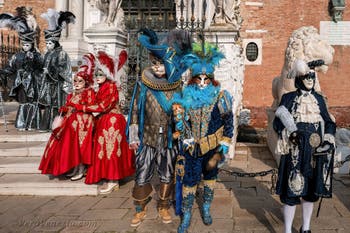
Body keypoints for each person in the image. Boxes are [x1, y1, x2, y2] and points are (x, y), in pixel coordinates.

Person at [126, 28, 192, 227]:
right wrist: (134, 135)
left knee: (167, 172)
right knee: (142, 172)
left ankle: (163, 205)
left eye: (161, 64)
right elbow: (135, 109)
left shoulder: (177, 86)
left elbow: (183, 114)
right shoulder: (143, 84)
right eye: (154, 63)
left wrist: (181, 119)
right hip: (147, 137)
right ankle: (140, 208)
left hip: (168, 138)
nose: (156, 68)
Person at [174, 42, 234, 233]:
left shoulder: (221, 97)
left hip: (212, 148)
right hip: (192, 148)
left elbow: (229, 123)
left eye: (205, 79)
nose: (201, 83)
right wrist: (184, 135)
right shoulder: (185, 97)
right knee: (189, 181)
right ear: (192, 79)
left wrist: (225, 142)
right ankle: (187, 215)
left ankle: (206, 208)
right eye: (198, 79)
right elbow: (181, 123)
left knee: (210, 177)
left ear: (211, 80)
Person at [273, 59, 336, 233]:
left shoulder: (319, 99)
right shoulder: (288, 97)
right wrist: (289, 132)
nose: (310, 79)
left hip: (314, 152)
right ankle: (287, 230)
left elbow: (329, 122)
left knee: (310, 192)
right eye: (306, 76)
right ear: (300, 78)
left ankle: (306, 228)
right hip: (294, 151)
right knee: (292, 191)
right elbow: (277, 123)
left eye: (312, 76)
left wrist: (328, 139)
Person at [72, 50, 134, 194]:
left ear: (107, 75)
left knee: (111, 151)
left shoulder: (111, 87)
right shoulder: (101, 87)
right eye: (96, 74)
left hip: (112, 122)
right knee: (104, 151)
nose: (97, 77)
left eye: (101, 74)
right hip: (105, 121)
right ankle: (108, 178)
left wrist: (82, 107)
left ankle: (113, 180)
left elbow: (104, 106)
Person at [38, 54, 96, 178]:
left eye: (80, 81)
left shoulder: (89, 92)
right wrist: (65, 109)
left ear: (85, 82)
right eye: (75, 81)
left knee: (81, 147)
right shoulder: (72, 94)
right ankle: (75, 168)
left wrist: (78, 106)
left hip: (83, 124)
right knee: (71, 147)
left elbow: (90, 105)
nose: (76, 83)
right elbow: (70, 105)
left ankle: (81, 169)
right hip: (71, 124)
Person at [0, 9, 43, 130]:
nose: (25, 47)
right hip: (21, 83)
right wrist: (2, 73)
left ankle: (33, 123)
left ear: (32, 45)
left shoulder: (37, 55)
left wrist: (34, 61)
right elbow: (10, 68)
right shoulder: (16, 56)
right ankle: (22, 123)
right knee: (23, 102)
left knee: (33, 102)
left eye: (27, 45)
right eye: (23, 45)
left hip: (34, 83)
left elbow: (41, 67)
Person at [37, 9, 75, 131]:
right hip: (48, 85)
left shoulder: (62, 54)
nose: (48, 45)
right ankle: (45, 125)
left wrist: (51, 72)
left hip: (57, 85)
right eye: (46, 43)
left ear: (55, 42)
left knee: (55, 105)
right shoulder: (47, 54)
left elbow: (64, 70)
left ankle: (56, 125)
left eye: (50, 43)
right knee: (48, 105)